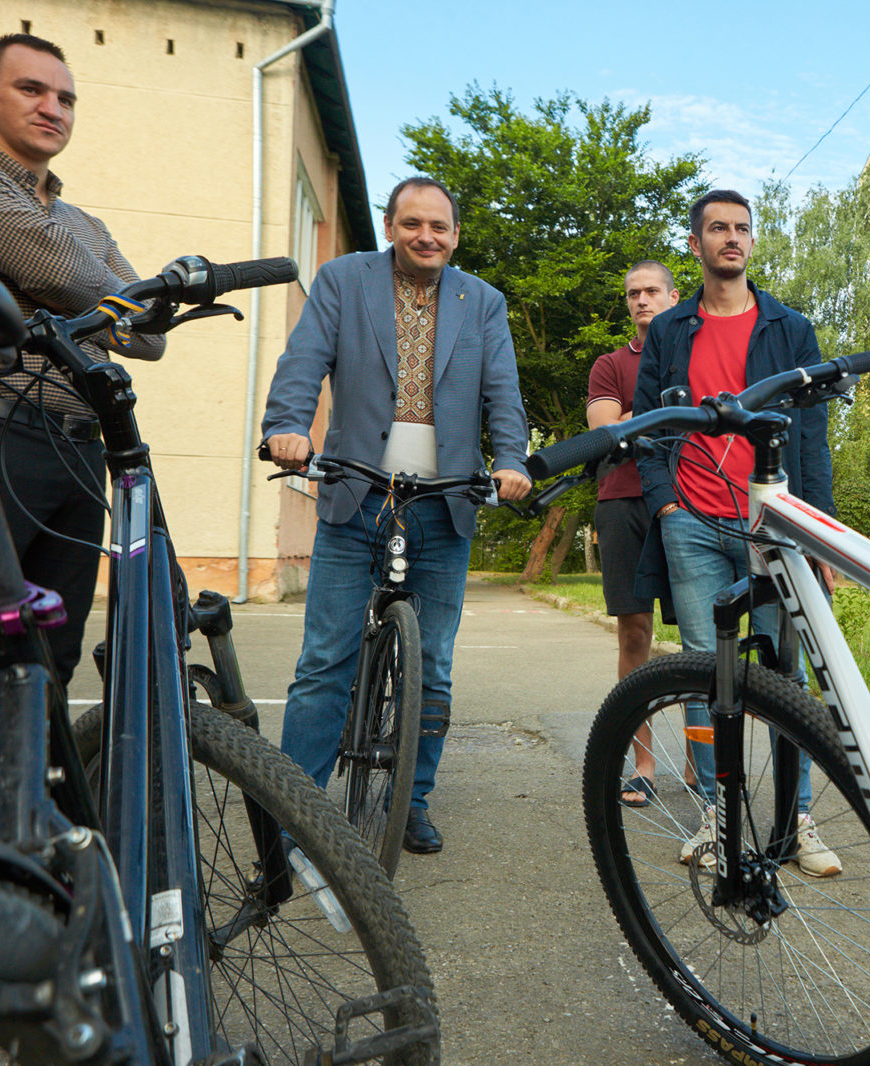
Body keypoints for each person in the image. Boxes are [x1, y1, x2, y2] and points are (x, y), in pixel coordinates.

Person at [262, 176, 531, 854]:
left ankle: (409, 799)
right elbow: (304, 362)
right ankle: (296, 807)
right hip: (355, 490)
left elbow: (502, 390)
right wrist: (289, 426)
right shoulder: (343, 282)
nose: (427, 236)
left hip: (445, 502)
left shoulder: (484, 303)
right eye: (413, 223)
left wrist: (515, 460)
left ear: (455, 234)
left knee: (432, 663)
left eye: (439, 226)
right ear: (391, 227)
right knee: (326, 657)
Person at [0, 34, 166, 770]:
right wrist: (82, 290)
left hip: (79, 447)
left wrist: (59, 286)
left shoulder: (86, 225)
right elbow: (66, 275)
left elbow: (150, 333)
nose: (53, 108)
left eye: (66, 97)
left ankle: (28, 823)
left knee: (52, 655)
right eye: (32, 89)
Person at [633, 189, 841, 876]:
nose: (732, 238)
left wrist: (816, 532)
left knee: (788, 671)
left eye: (742, 228)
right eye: (718, 228)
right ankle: (719, 820)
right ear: (696, 245)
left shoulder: (790, 328)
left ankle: (795, 819)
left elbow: (812, 438)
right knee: (704, 675)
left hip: (771, 522)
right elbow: (649, 425)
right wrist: (664, 503)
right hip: (690, 521)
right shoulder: (669, 330)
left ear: (752, 242)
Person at [588, 261, 680, 808]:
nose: (642, 300)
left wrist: (634, 417)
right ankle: (642, 764)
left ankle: (702, 764)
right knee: (634, 636)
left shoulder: (690, 353)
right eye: (633, 293)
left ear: (672, 297)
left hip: (685, 500)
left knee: (701, 636)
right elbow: (606, 433)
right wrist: (655, 412)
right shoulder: (610, 363)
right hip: (622, 501)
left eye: (652, 291)